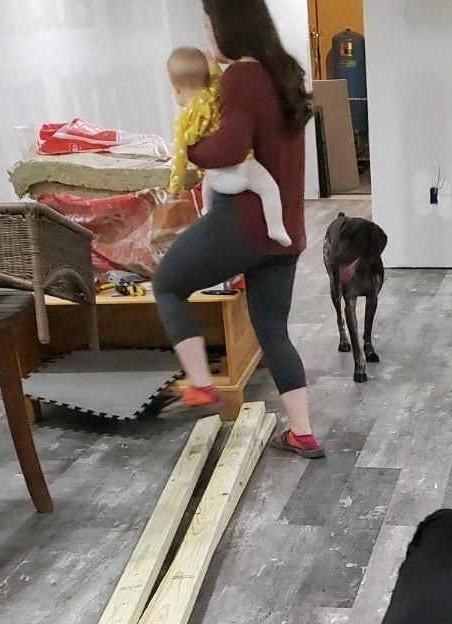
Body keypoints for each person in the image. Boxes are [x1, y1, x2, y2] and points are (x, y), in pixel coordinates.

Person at [153, 0, 323, 458]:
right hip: (283, 233)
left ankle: (203, 386)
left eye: (209, 26)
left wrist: (189, 149)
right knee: (273, 330)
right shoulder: (282, 72)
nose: (208, 37)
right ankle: (302, 434)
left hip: (241, 224)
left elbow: (228, 148)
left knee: (167, 283)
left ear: (227, 25)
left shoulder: (242, 76)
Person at [166, 46, 290, 245]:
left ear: (176, 87)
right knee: (269, 190)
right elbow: (219, 80)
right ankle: (276, 228)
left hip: (216, 178)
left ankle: (206, 209)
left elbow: (179, 158)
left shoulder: (182, 121)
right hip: (243, 171)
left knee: (206, 181)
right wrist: (214, 67)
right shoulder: (215, 93)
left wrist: (174, 190)